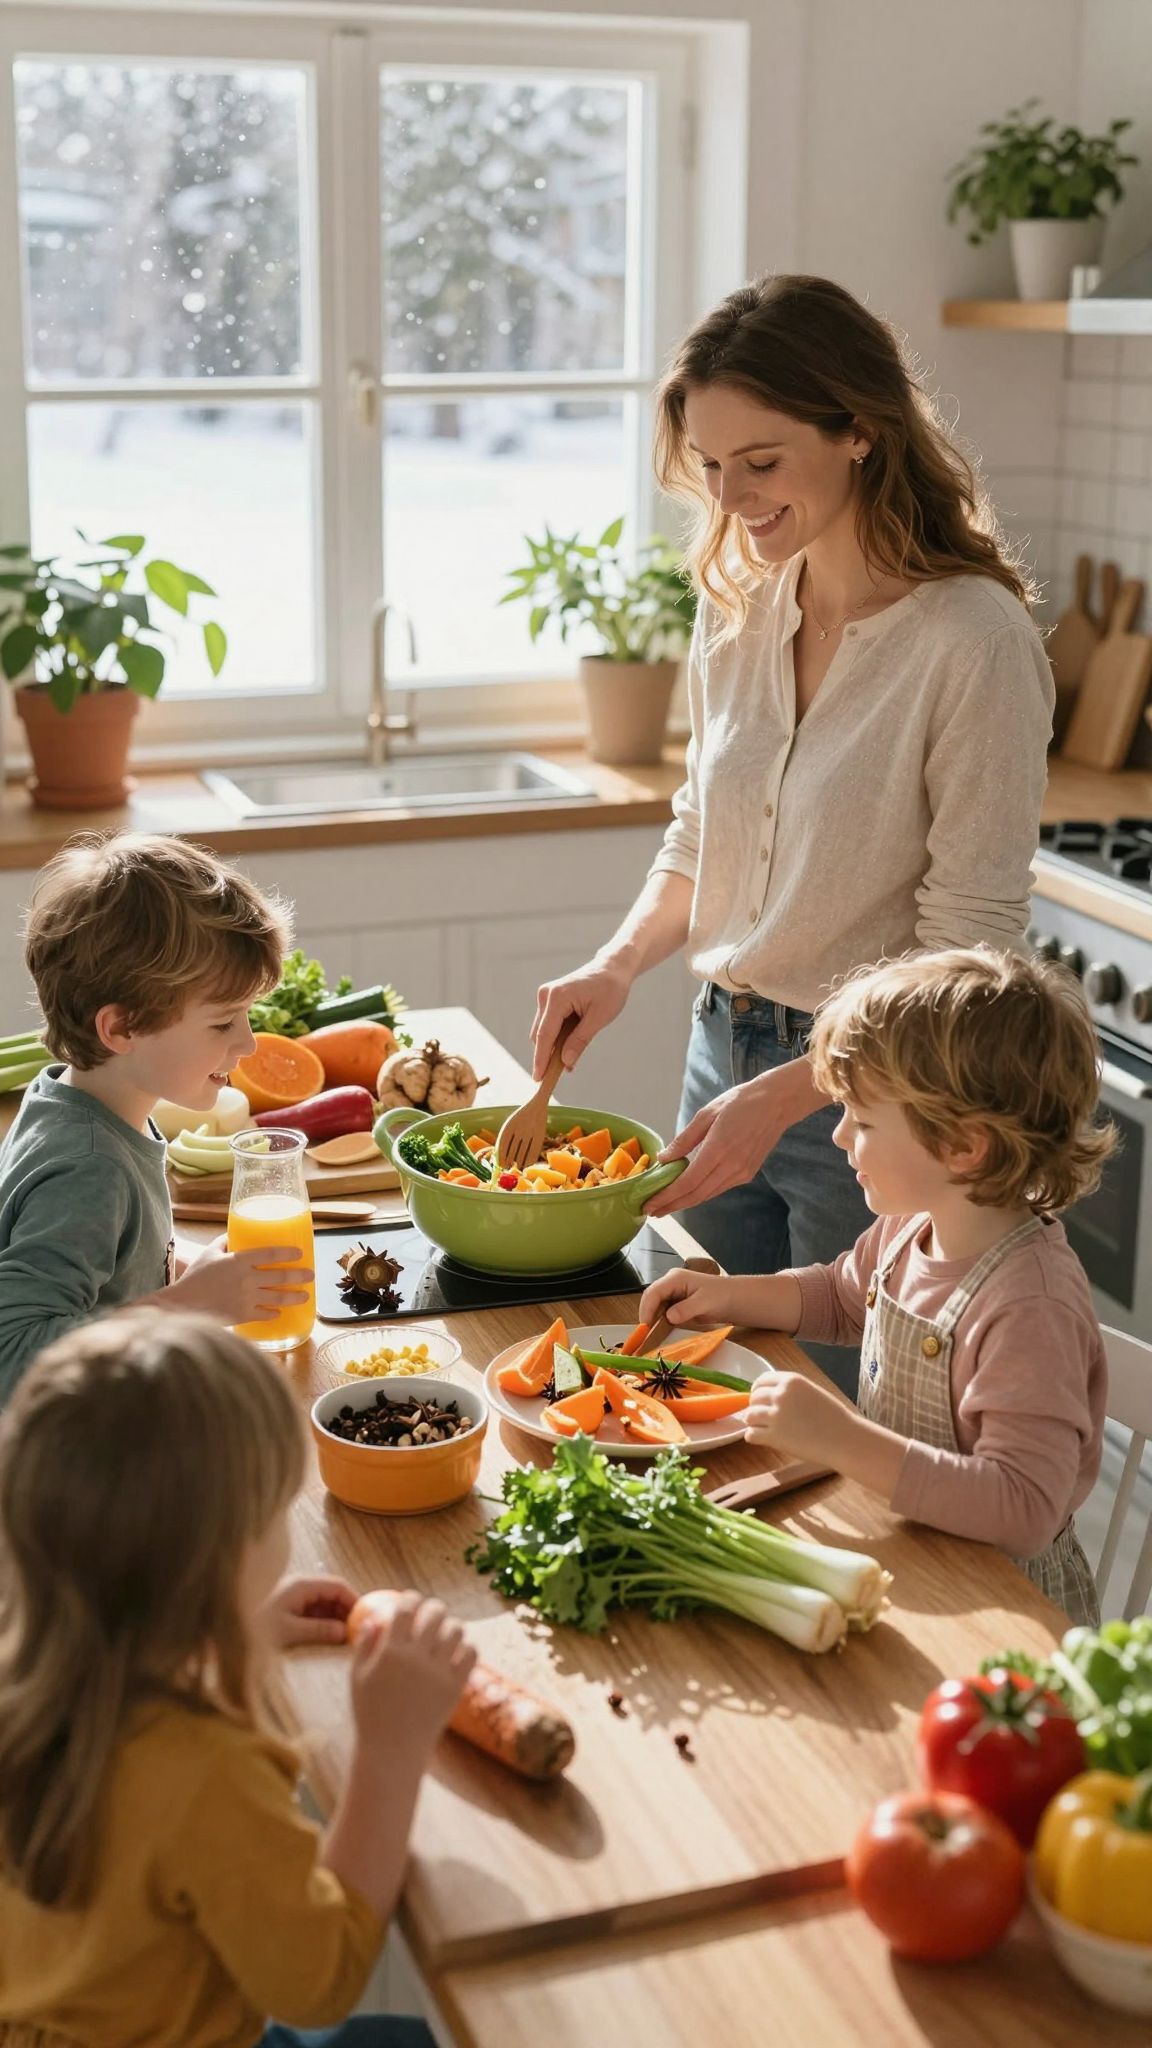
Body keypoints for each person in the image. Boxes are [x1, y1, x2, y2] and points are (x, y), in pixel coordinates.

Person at [532, 274, 1054, 1393]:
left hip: (873, 1108)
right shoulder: (740, 605)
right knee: (684, 1392)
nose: (731, 500)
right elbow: (700, 829)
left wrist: (789, 1093)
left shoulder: (972, 640)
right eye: (712, 468)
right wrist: (617, 963)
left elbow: (965, 947)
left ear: (860, 429)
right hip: (717, 1051)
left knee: (832, 1436)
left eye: (761, 464)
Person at [0, 1308, 474, 2045]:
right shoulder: (206, 1773)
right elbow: (320, 1982)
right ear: (216, 1566)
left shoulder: (27, 1672)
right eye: (278, 1512)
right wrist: (390, 1750)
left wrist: (228, 1640)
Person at [637, 948, 1110, 1625]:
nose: (837, 1136)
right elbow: (839, 1295)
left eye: (861, 1120)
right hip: (915, 1555)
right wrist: (728, 1295)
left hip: (1004, 1613)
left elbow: (1024, 1510)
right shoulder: (911, 1225)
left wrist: (842, 1439)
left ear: (963, 1147)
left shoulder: (1029, 1303)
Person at [0, 831, 312, 1395]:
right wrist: (188, 1306)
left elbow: (104, 1260)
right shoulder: (89, 1168)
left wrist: (187, 1267)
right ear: (120, 1028)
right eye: (223, 1023)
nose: (248, 1043)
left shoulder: (82, 1105)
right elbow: (14, 1353)